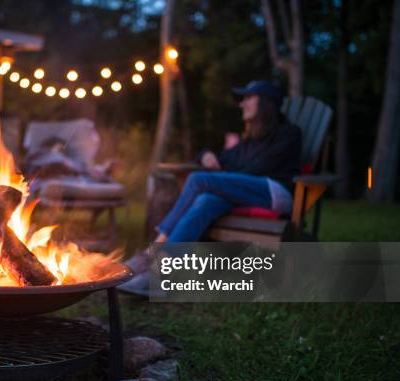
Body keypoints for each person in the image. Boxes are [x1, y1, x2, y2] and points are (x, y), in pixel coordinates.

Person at [121, 80, 301, 292]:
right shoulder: (248, 143)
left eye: (248, 98)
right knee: (205, 200)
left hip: (275, 193)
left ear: (266, 102)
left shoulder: (289, 133)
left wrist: (221, 177)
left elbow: (258, 169)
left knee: (199, 180)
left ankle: (149, 255)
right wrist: (206, 155)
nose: (242, 104)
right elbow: (221, 158)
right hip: (246, 193)